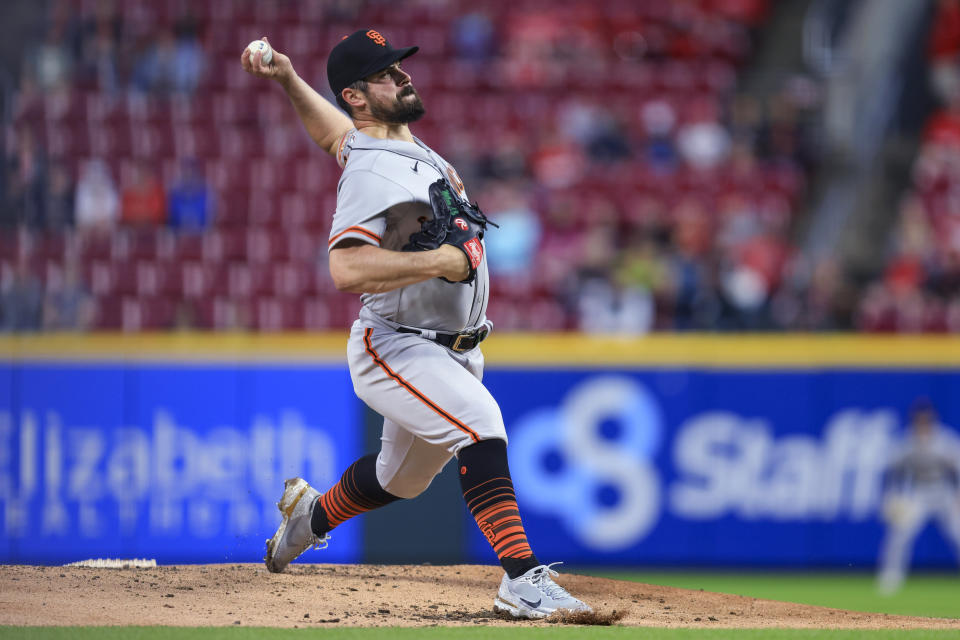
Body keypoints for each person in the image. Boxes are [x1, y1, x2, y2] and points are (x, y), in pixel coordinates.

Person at [241, 29, 590, 619]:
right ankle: (522, 581)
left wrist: (287, 79)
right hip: (398, 344)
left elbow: (335, 137)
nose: (403, 76)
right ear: (357, 95)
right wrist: (443, 260)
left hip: (452, 347)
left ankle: (309, 517)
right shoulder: (372, 170)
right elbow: (345, 268)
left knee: (398, 481)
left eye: (400, 67)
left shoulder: (389, 148)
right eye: (388, 73)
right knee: (481, 427)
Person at [877, 398, 960, 594]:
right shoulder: (907, 442)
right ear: (914, 420)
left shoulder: (945, 440)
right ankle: (890, 580)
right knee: (899, 535)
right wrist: (891, 496)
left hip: (944, 492)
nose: (922, 422)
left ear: (932, 419)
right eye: (919, 419)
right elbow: (893, 471)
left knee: (958, 534)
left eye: (926, 419)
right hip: (919, 493)